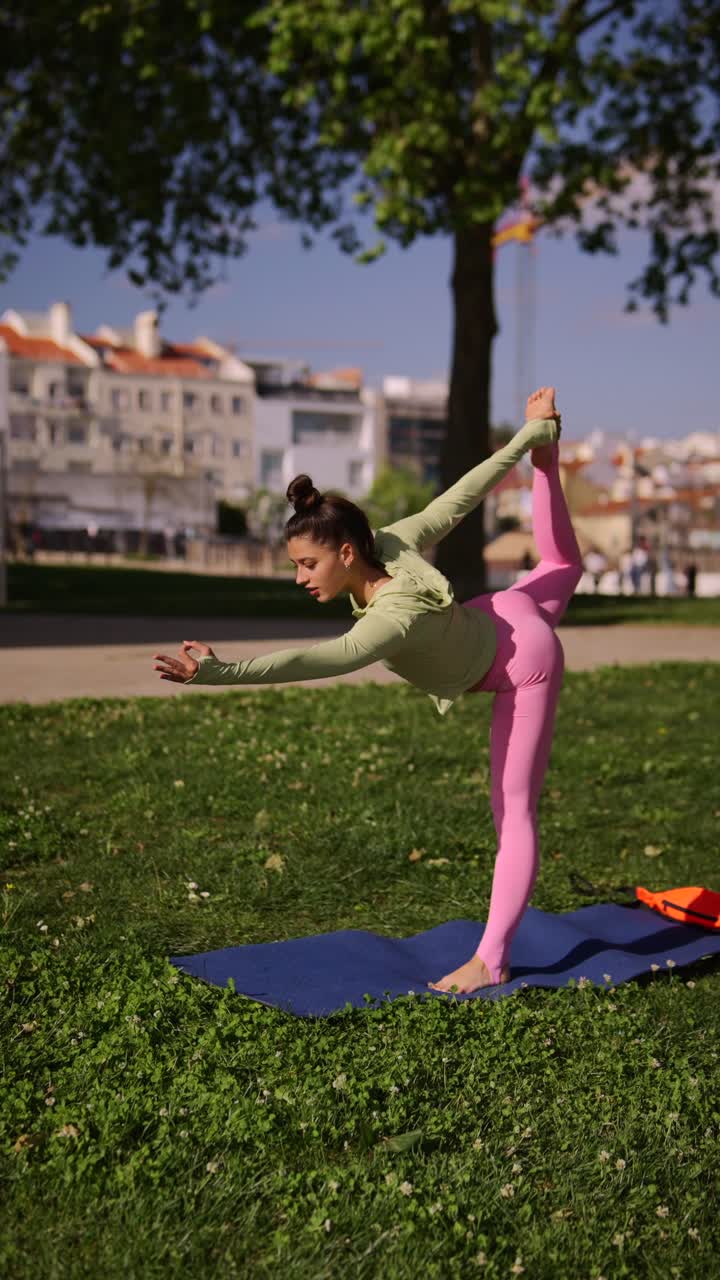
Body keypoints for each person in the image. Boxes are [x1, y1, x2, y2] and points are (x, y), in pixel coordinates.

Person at [152, 387, 581, 994]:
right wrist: (529, 439)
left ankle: (492, 958)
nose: (300, 578)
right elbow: (461, 496)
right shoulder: (388, 543)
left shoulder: (391, 616)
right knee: (565, 566)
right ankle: (549, 457)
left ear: (346, 552)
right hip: (504, 609)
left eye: (307, 564)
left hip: (523, 663)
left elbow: (319, 658)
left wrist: (224, 672)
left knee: (513, 812)